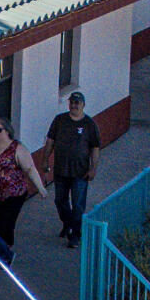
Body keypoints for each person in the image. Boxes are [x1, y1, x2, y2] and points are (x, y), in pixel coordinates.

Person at [46, 92, 104, 243]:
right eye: (72, 102)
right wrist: (45, 160)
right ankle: (69, 223)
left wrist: (93, 168)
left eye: (77, 103)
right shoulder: (60, 120)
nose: (74, 105)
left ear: (83, 105)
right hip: (60, 170)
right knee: (60, 201)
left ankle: (75, 235)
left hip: (80, 172)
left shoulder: (89, 124)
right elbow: (50, 140)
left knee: (78, 204)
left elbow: (95, 148)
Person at [0, 120, 43, 260]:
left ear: (7, 131)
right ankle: (2, 249)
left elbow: (30, 169)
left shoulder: (17, 148)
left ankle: (6, 252)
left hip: (15, 194)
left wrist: (41, 188)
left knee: (6, 221)